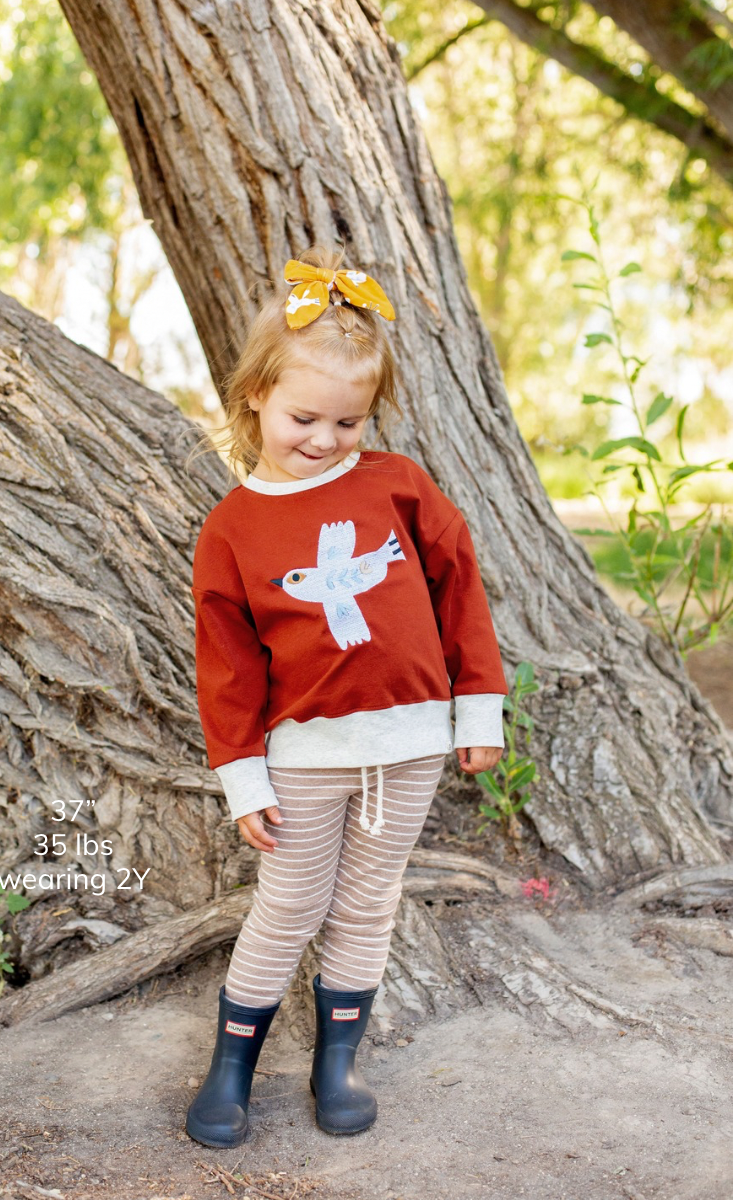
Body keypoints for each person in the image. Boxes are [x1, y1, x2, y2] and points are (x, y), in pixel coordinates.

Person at [184, 245, 508, 1148]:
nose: (324, 439)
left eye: (348, 420)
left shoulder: (396, 485)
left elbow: (459, 588)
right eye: (303, 417)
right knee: (288, 904)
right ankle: (232, 1069)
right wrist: (244, 779)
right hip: (305, 758)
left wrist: (477, 705)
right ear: (254, 394)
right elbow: (228, 667)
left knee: (370, 901)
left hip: (409, 744)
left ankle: (338, 1065)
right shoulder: (234, 529)